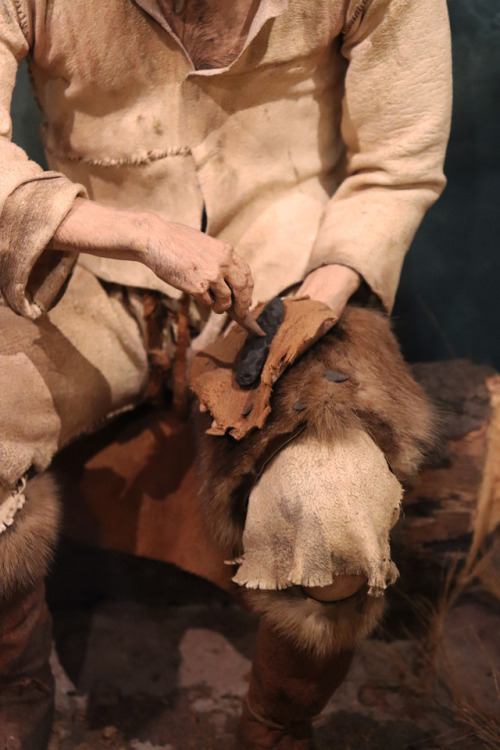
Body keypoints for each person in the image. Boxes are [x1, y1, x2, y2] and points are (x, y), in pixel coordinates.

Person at [0, 0, 451, 747]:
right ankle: (15, 696)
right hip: (87, 273)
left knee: (338, 505)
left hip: (290, 277)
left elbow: (397, 159)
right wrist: (137, 234)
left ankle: (276, 725)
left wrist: (321, 294)